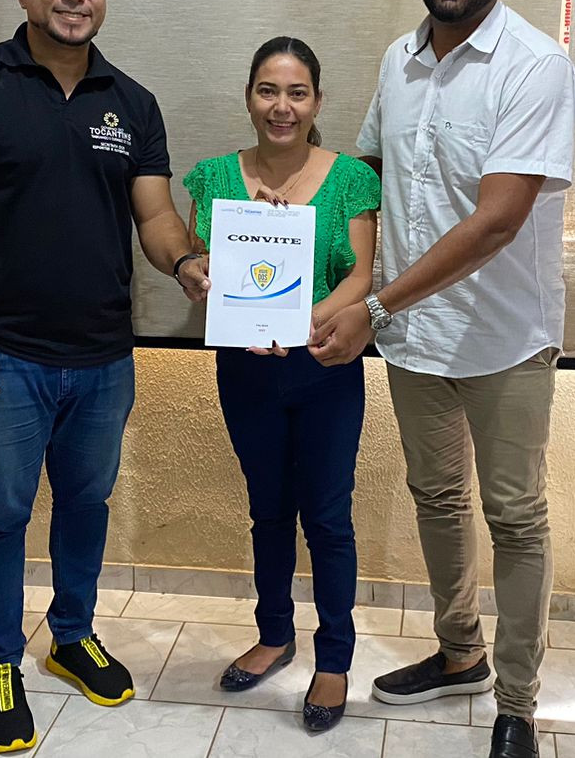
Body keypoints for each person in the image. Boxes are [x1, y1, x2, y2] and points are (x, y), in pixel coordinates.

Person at [0, 0, 209, 753]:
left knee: (85, 504)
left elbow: (154, 216)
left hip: (104, 358)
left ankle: (72, 637)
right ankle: (0, 661)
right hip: (0, 357)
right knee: (0, 513)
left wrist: (187, 262)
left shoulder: (132, 103)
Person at [309, 0, 575, 758]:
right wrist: (288, 222)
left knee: (516, 517)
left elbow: (497, 220)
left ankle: (518, 703)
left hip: (505, 339)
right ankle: (461, 651)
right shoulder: (401, 59)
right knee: (437, 497)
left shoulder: (536, 66)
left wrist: (372, 305)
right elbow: (366, 172)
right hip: (415, 338)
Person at [182, 37, 380, 732]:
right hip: (245, 366)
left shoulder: (351, 177)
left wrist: (296, 320)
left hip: (324, 363)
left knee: (326, 515)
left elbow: (360, 277)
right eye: (268, 90)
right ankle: (275, 634)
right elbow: (205, 268)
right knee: (267, 510)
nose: (282, 106)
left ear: (317, 101)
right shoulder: (213, 178)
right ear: (249, 97)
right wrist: (216, 278)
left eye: (297, 93)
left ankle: (334, 658)